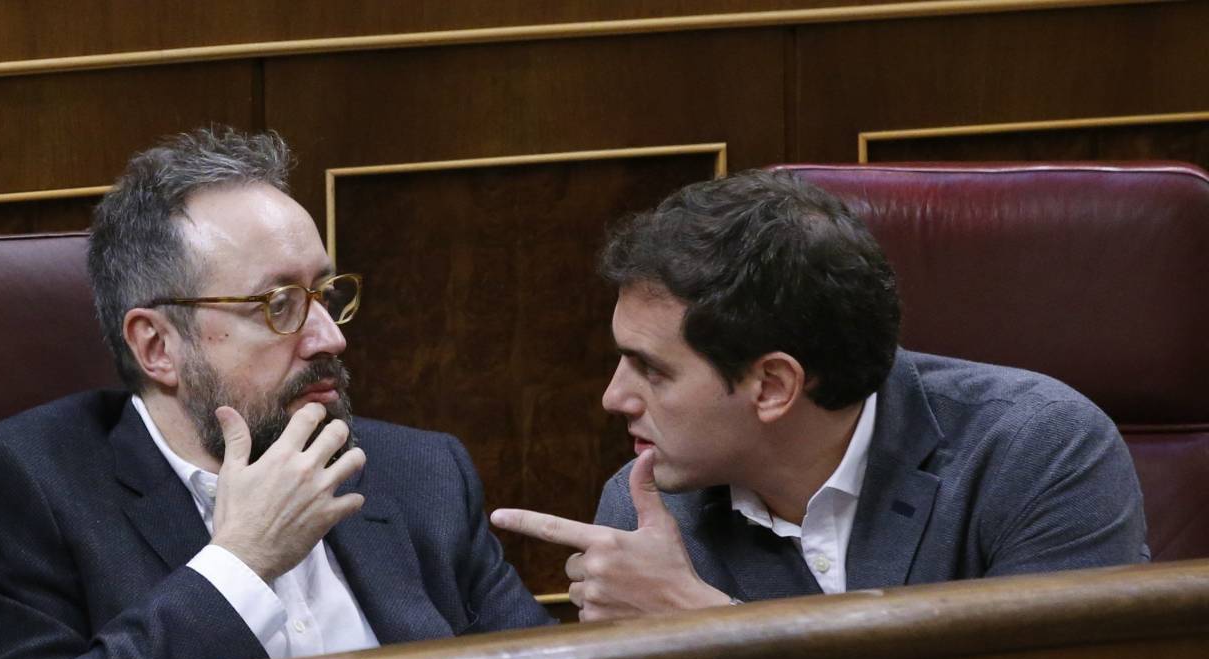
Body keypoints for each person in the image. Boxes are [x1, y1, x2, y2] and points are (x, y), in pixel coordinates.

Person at [0, 127, 550, 659]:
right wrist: (239, 565)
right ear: (158, 346)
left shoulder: (421, 473)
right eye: (279, 305)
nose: (329, 337)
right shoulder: (23, 486)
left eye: (325, 295)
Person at [491, 169, 1147, 621]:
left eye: (651, 370)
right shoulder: (650, 509)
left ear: (773, 386)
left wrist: (704, 626)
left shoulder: (1039, 452)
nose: (613, 398)